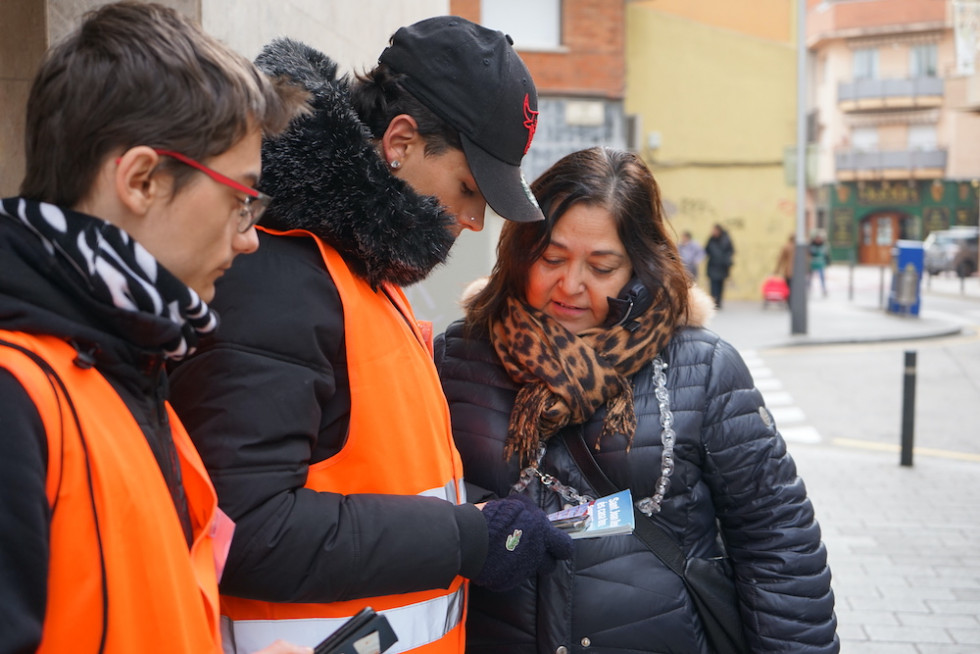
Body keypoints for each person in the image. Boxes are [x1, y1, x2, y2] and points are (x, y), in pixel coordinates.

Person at [167, 17, 572, 654]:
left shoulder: (357, 269)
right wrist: (467, 539)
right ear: (401, 141)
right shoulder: (282, 272)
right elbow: (247, 527)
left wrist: (482, 514)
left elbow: (378, 475)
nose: (472, 220)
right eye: (469, 189)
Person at [435, 147, 840, 653]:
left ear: (638, 268)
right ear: (521, 251)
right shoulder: (457, 357)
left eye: (602, 267)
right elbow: (406, 507)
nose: (571, 285)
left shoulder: (702, 368)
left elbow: (778, 543)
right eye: (552, 258)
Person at [0, 3, 311, 653]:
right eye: (241, 199)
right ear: (142, 179)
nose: (250, 239)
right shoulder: (18, 398)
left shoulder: (129, 370)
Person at [705, 222, 735, 308]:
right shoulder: (711, 239)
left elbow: (731, 251)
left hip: (722, 266)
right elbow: (706, 250)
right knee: (713, 285)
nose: (713, 232)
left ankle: (719, 301)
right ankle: (714, 302)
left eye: (715, 230)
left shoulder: (726, 239)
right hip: (713, 265)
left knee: (720, 285)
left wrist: (726, 259)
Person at [774, 233, 796, 301]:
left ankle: (789, 302)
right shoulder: (800, 247)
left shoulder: (786, 246)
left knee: (789, 288)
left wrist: (776, 270)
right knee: (795, 289)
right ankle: (793, 301)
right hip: (798, 272)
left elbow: (780, 260)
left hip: (788, 271)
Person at [809, 230, 831, 296]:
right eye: (817, 238)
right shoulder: (812, 245)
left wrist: (828, 261)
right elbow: (810, 253)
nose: (818, 239)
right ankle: (808, 288)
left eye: (819, 238)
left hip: (821, 264)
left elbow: (827, 254)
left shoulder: (824, 245)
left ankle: (823, 289)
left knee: (822, 277)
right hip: (813, 263)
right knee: (810, 277)